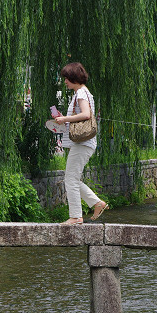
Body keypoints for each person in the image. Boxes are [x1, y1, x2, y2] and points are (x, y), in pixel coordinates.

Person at [53, 62, 108, 225]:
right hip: (83, 143)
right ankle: (97, 203)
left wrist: (65, 119)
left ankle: (76, 216)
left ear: (73, 78)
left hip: (83, 144)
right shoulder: (82, 93)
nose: (65, 81)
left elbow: (85, 115)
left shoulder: (81, 94)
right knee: (73, 178)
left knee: (70, 178)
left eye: (66, 78)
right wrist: (65, 119)